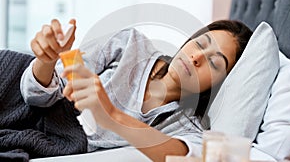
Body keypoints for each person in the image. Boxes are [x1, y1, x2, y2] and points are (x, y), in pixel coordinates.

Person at [20, 19, 252, 161]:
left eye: (214, 64)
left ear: (219, 85)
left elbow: (179, 155)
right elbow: (36, 95)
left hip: (49, 138)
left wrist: (112, 116)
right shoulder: (129, 44)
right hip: (17, 90)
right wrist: (47, 60)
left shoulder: (186, 129)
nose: (197, 57)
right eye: (201, 43)